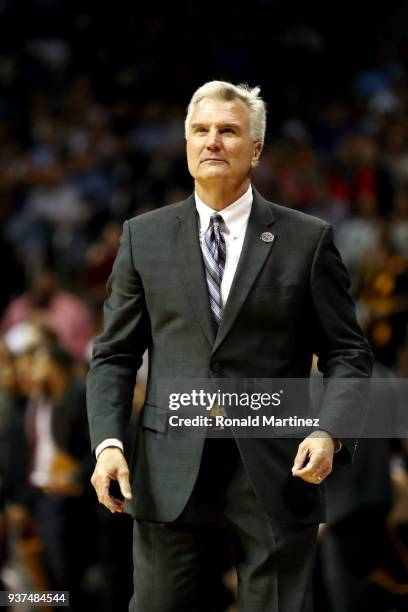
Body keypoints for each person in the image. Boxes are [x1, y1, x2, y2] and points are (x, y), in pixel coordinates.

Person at [87, 81, 373, 612]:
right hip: (168, 468)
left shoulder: (306, 239)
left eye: (228, 131)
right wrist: (107, 444)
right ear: (187, 144)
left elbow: (348, 353)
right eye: (201, 130)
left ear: (256, 150)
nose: (212, 141)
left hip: (276, 467)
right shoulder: (142, 237)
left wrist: (330, 430)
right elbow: (114, 354)